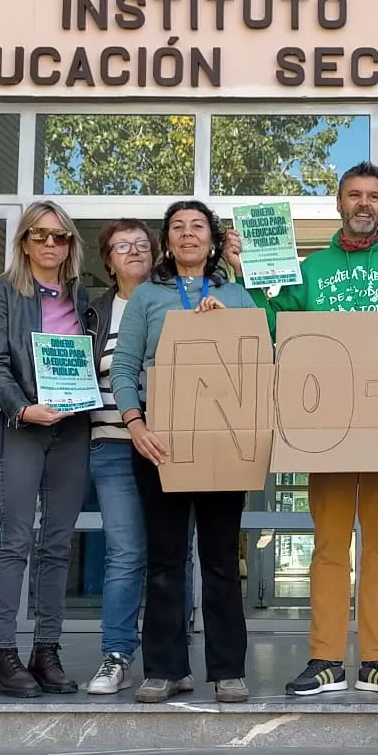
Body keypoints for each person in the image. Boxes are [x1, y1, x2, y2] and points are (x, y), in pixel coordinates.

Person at [258, 162, 378, 699]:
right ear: (339, 204)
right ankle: (326, 660)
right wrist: (255, 278)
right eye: (354, 195)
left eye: (373, 196)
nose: (364, 203)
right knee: (329, 547)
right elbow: (274, 324)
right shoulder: (312, 268)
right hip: (327, 426)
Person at [113, 200, 259, 704]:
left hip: (222, 441)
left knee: (220, 560)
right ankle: (165, 668)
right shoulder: (146, 296)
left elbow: (260, 358)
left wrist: (227, 324)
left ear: (213, 240)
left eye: (198, 226)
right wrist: (136, 425)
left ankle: (228, 670)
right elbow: (124, 366)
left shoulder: (235, 295)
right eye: (178, 227)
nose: (188, 234)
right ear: (167, 241)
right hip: (160, 443)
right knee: (165, 560)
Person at [0, 201, 97, 699]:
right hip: (22, 425)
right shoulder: (2, 292)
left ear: (70, 245)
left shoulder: (83, 296)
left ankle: (46, 650)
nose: (51, 243)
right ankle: (4, 655)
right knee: (15, 540)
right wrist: (23, 409)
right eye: (40, 235)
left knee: (57, 543)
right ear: (24, 242)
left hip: (73, 429)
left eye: (60, 236)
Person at [83, 218, 154, 696]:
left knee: (173, 555)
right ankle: (117, 654)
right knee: (126, 553)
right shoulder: (93, 313)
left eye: (142, 244)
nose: (134, 251)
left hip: (171, 448)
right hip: (112, 446)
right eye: (122, 246)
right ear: (108, 260)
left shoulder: (174, 300)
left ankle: (171, 655)